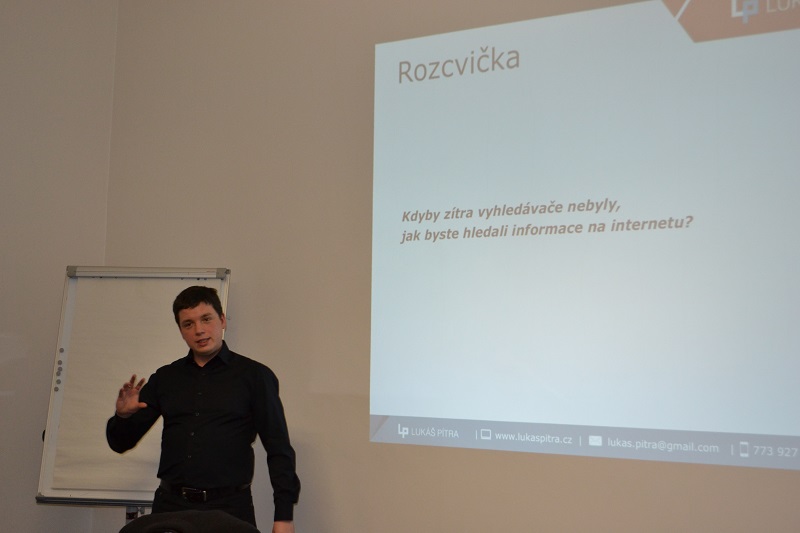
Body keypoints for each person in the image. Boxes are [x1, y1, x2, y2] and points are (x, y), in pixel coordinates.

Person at [107, 286, 300, 533]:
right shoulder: (166, 378)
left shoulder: (255, 376)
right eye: (188, 324)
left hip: (230, 508)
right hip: (170, 507)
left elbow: (279, 449)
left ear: (222, 320)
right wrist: (123, 417)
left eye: (206, 319)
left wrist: (284, 517)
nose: (199, 330)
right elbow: (120, 443)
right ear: (181, 331)